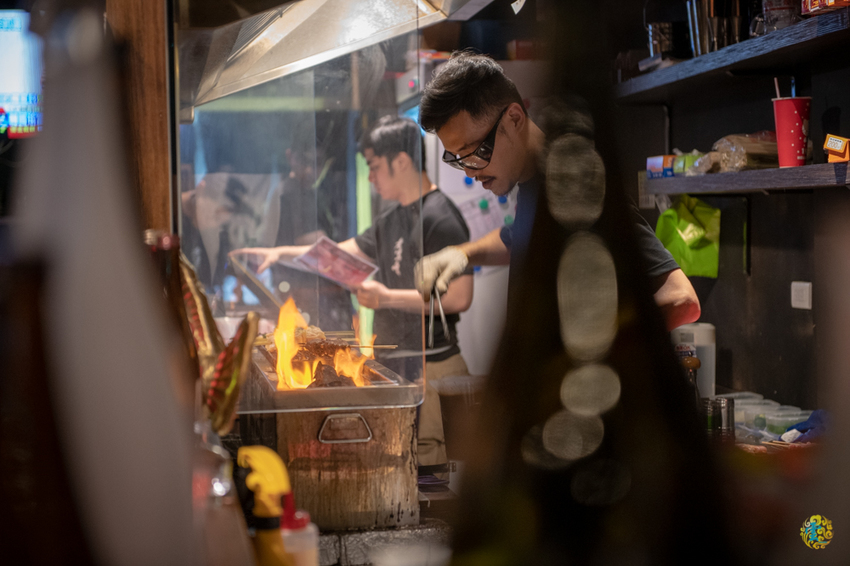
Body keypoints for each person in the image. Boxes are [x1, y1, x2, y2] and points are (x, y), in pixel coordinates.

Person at [233, 116, 473, 469]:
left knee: (427, 470)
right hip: (396, 368)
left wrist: (386, 297)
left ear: (401, 162)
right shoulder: (390, 220)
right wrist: (276, 254)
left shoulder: (440, 216)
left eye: (375, 167)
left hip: (432, 367)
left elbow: (458, 298)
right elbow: (333, 255)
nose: (371, 177)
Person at [414, 52, 700, 330]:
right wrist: (462, 254)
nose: (469, 171)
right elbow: (516, 239)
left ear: (514, 119)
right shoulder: (533, 182)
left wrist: (584, 348)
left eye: (474, 152)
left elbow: (680, 299)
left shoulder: (574, 183)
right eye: (457, 159)